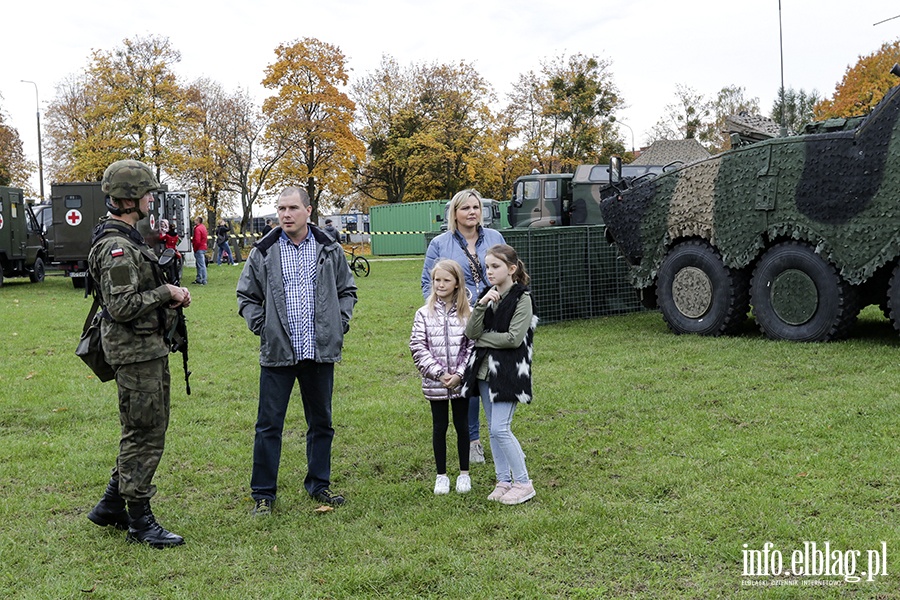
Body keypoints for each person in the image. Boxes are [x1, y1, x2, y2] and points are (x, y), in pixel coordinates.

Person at [85, 159, 192, 548]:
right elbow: (123, 306)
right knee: (144, 434)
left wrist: (171, 298)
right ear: (131, 200)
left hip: (146, 349)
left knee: (146, 429)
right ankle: (139, 522)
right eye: (147, 193)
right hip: (135, 353)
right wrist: (167, 293)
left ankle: (111, 505)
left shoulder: (125, 238)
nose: (152, 199)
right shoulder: (116, 246)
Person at [237, 186, 357, 516]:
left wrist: (339, 321)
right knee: (268, 425)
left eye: (292, 208)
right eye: (280, 209)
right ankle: (263, 493)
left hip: (319, 350)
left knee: (321, 423)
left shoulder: (329, 249)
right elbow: (246, 296)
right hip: (279, 351)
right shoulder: (263, 251)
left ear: (308, 210)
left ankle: (319, 484)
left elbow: (347, 290)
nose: (285, 214)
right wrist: (264, 327)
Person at [422, 189, 505, 466]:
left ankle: (501, 436)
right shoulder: (440, 244)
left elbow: (508, 273)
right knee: (466, 382)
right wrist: (445, 314)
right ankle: (472, 442)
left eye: (476, 207)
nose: (472, 212)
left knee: (493, 379)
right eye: (465, 208)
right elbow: (428, 284)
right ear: (454, 213)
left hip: (493, 320)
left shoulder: (494, 238)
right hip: (459, 324)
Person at [461, 244, 537, 505]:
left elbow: (513, 339)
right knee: (493, 431)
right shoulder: (487, 295)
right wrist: (480, 306)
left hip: (508, 373)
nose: (489, 271)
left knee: (500, 428)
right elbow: (471, 332)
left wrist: (483, 340)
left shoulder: (522, 298)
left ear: (512, 269)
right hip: (483, 374)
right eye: (487, 267)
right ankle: (503, 480)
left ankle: (524, 483)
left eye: (495, 266)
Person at [410, 260, 474, 495]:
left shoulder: (468, 314)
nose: (441, 284)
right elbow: (418, 346)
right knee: (439, 426)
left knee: (462, 425)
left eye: (447, 280)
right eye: (437, 280)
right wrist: (439, 372)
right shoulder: (423, 314)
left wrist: (459, 374)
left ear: (457, 283)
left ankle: (464, 473)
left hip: (460, 383)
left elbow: (472, 347)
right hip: (435, 383)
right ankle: (442, 475)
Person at [191, 216, 208, 284]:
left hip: (199, 248)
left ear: (198, 221)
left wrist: (195, 247)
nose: (194, 221)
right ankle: (199, 278)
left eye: (195, 220)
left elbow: (197, 240)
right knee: (199, 264)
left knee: (201, 264)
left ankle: (203, 280)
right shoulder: (203, 227)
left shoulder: (197, 229)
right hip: (203, 247)